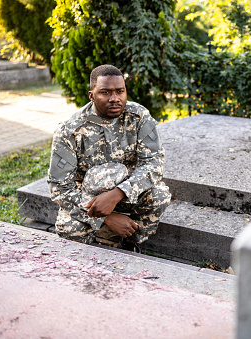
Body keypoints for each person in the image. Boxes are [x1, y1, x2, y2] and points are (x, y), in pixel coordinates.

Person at [48, 64, 171, 250]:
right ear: (92, 95)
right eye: (105, 92)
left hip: (127, 192)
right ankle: (101, 239)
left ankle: (129, 242)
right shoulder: (70, 130)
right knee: (70, 230)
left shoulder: (139, 117)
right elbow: (59, 187)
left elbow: (153, 164)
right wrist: (106, 218)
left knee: (159, 195)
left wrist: (118, 193)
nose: (115, 99)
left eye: (120, 91)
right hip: (89, 199)